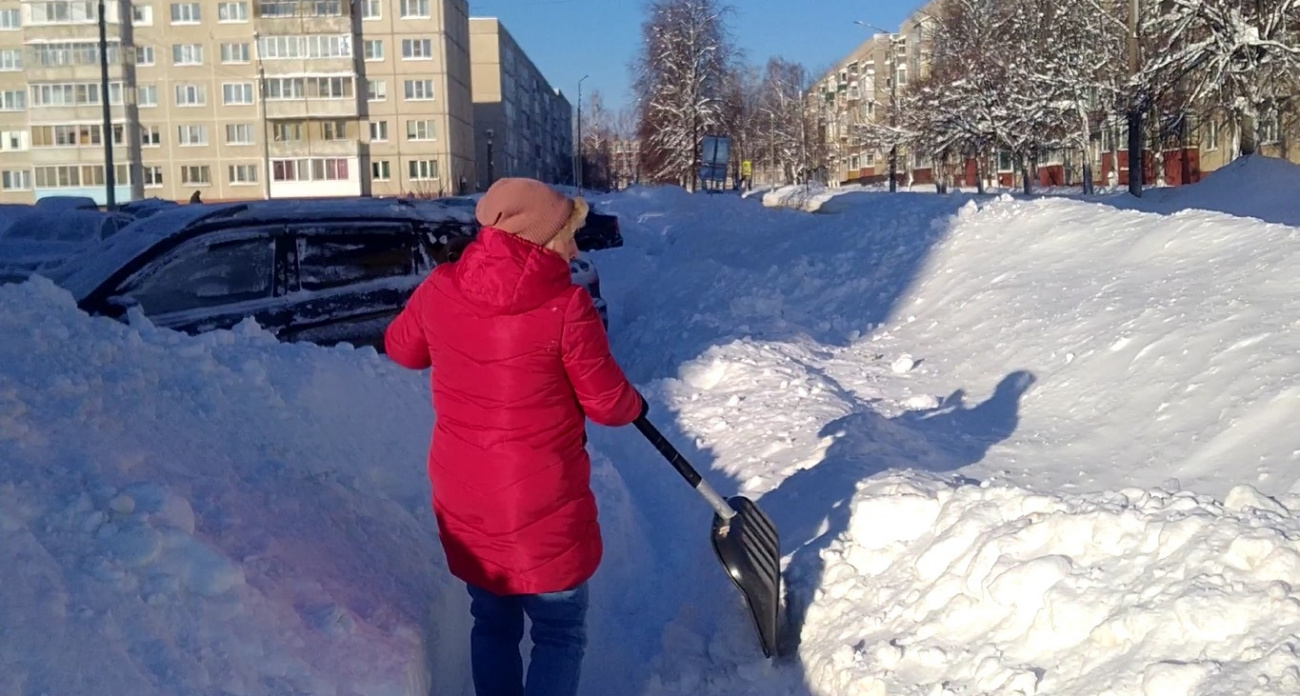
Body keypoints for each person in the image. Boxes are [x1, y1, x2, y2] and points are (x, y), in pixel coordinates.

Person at [384, 177, 646, 696]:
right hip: (541, 502)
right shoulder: (567, 308)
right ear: (539, 239)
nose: (575, 247)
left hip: (467, 499)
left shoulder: (440, 287)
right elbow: (609, 406)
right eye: (567, 235)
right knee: (558, 631)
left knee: (492, 622)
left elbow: (402, 349)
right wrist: (636, 401)